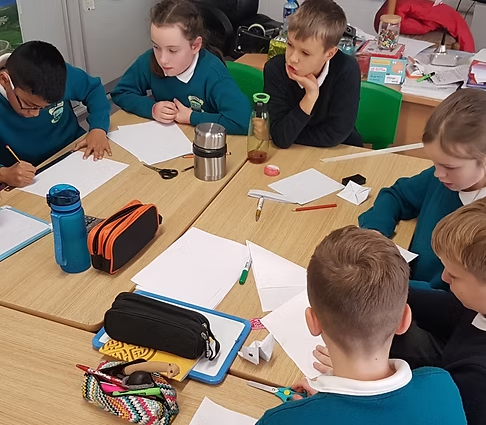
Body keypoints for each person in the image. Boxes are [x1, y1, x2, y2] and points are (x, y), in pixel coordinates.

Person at [256, 226, 466, 425]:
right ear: (404, 320)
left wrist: (307, 411)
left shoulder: (279, 421)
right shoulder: (442, 386)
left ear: (313, 322)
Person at [359, 88, 486, 290]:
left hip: (426, 305)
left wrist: (396, 287)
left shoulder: (480, 225)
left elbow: (458, 303)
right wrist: (375, 232)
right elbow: (397, 195)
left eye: (449, 166)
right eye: (435, 163)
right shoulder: (444, 179)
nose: (437, 173)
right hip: (404, 285)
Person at [387, 198, 486, 425]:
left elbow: (429, 415)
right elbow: (455, 311)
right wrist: (388, 286)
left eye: (454, 275)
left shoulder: (476, 380)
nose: (443, 278)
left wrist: (362, 384)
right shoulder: (477, 303)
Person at [111, 0, 250, 136]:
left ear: (195, 46)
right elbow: (121, 92)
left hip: (205, 143)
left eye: (172, 50)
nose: (162, 60)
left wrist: (191, 117)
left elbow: (243, 121)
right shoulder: (150, 60)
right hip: (166, 140)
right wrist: (152, 109)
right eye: (156, 47)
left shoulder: (213, 74)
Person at [0, 41, 111, 188]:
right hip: (30, 177)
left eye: (46, 107)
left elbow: (93, 89)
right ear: (4, 81)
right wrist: (4, 174)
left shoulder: (57, 75)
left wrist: (98, 128)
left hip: (76, 151)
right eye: (29, 105)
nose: (35, 114)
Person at [263, 0, 362, 149]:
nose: (292, 58)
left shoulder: (346, 70)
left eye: (305, 52)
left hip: (340, 150)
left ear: (329, 53)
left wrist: (291, 134)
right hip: (292, 154)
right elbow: (280, 137)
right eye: (290, 44)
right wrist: (310, 97)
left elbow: (334, 135)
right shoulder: (275, 69)